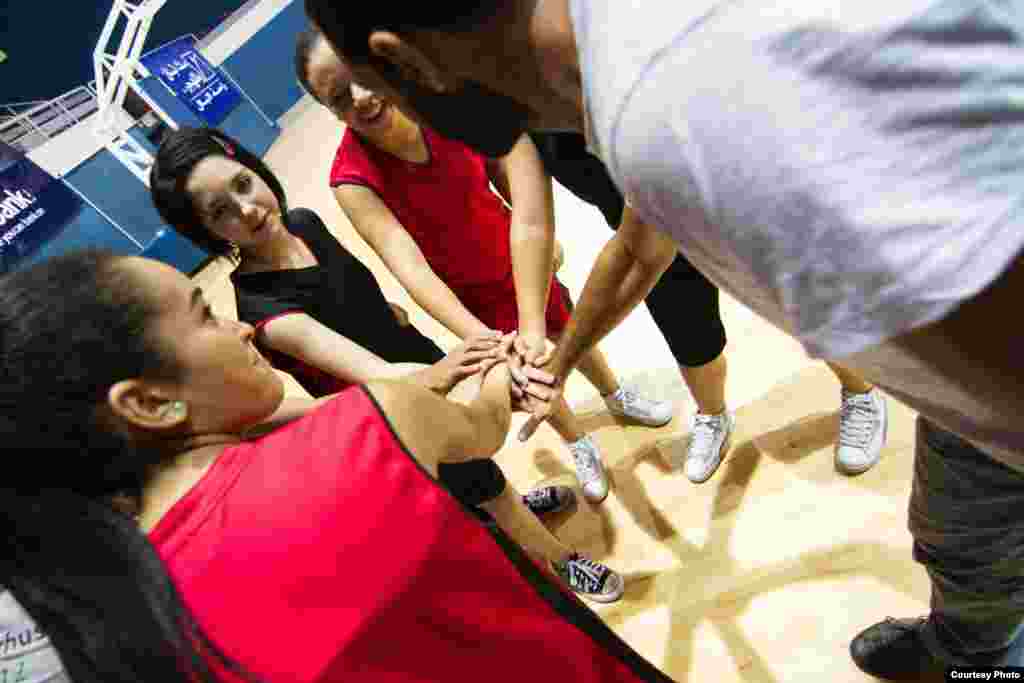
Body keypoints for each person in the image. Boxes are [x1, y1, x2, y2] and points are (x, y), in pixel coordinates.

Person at [304, 0, 1024, 677]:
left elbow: (1002, 378)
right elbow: (638, 251)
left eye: (377, 88)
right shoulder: (627, 60)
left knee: (974, 530)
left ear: (405, 63)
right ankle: (969, 644)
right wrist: (558, 354)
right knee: (959, 534)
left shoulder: (669, 120)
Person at [0, 248, 675, 680]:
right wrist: (500, 364)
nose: (239, 329)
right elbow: (486, 424)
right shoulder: (358, 434)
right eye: (204, 316)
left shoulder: (128, 619)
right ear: (150, 402)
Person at [149, 127, 622, 601]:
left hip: (414, 357)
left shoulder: (304, 223)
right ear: (204, 232)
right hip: (388, 407)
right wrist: (499, 367)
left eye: (242, 185)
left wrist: (400, 322)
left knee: (476, 467)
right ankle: (560, 562)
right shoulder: (266, 312)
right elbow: (388, 377)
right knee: (479, 481)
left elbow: (368, 298)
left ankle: (509, 515)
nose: (247, 210)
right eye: (221, 213)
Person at [295, 29, 674, 505]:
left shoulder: (441, 106)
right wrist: (486, 342)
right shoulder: (352, 179)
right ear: (328, 111)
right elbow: (412, 270)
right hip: (464, 292)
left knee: (565, 325)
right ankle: (577, 442)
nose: (361, 98)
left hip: (514, 253)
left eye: (359, 78)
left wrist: (539, 235)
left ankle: (614, 394)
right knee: (525, 363)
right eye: (338, 97)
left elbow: (508, 176)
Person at [528, 131, 888, 479]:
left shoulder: (627, 99)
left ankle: (862, 392)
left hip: (731, 201)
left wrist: (560, 362)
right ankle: (713, 415)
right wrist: (544, 351)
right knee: (689, 334)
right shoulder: (520, 116)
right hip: (641, 228)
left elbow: (637, 249)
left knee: (802, 309)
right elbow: (535, 223)